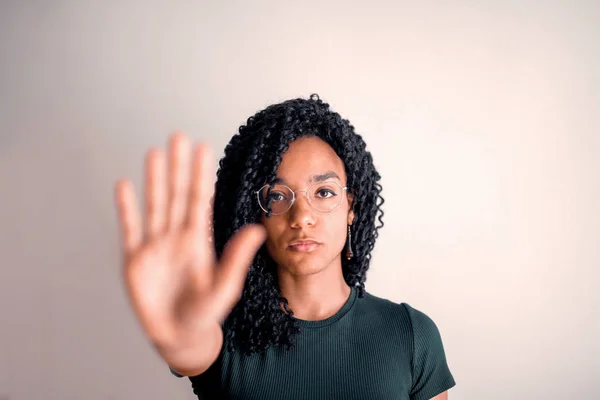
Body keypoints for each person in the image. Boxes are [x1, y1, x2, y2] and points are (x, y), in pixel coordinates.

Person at [114, 94, 456, 400]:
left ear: (351, 207)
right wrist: (179, 336)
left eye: (324, 192)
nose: (302, 216)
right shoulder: (223, 331)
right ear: (255, 216)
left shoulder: (410, 334)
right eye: (277, 196)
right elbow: (192, 346)